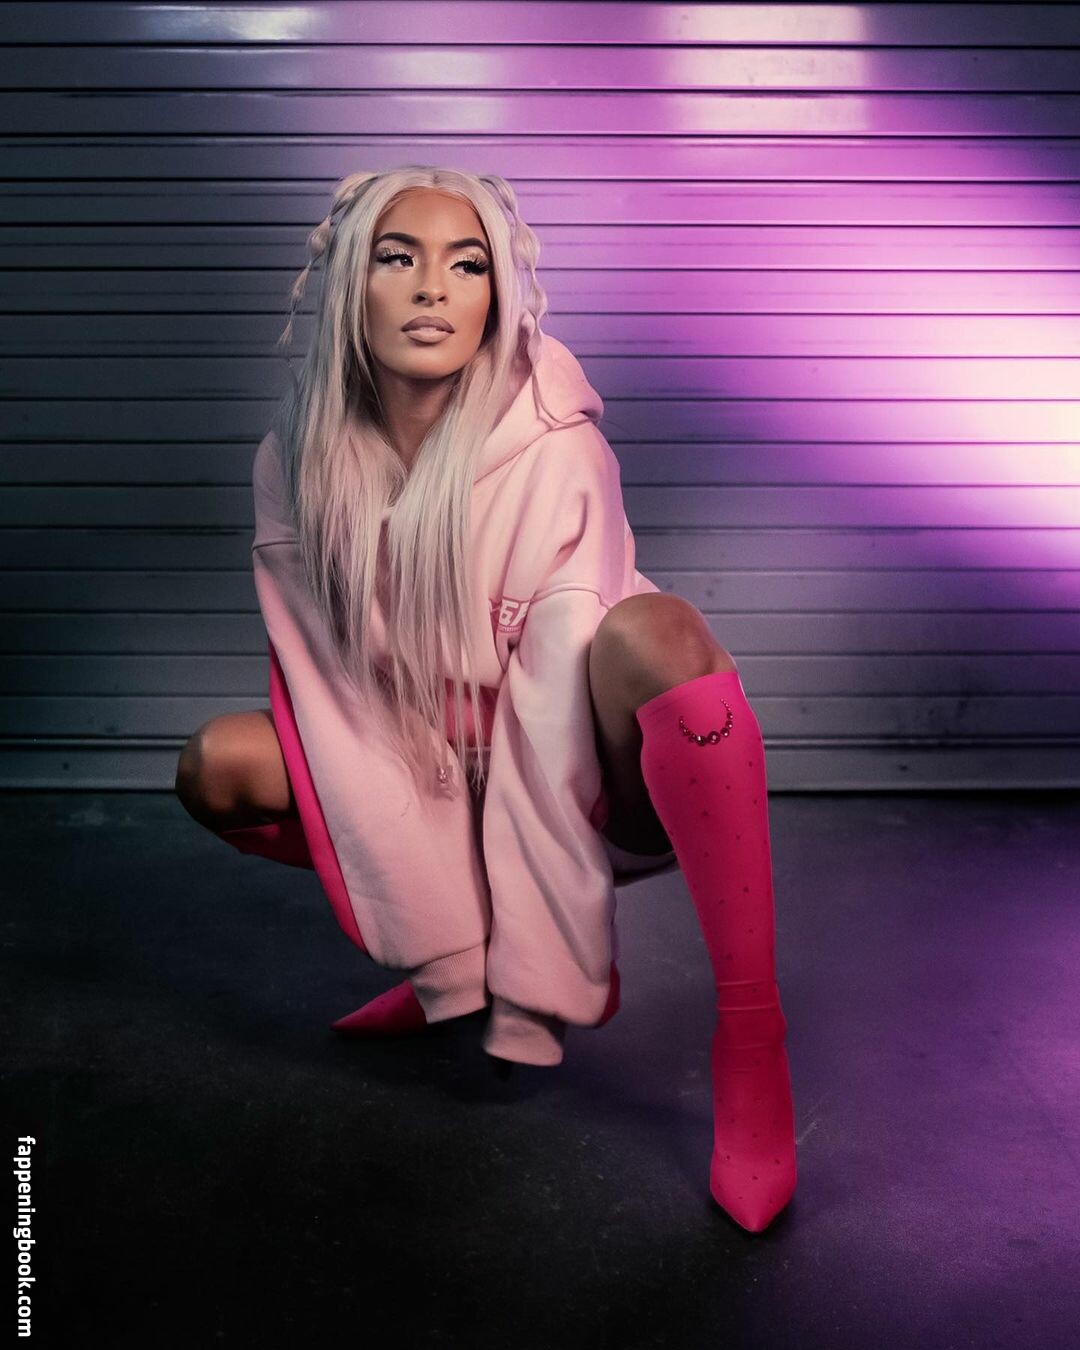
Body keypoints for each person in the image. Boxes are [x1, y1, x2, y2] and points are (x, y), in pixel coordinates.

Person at [174, 166, 797, 1232]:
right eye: (398, 258)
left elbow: (553, 695)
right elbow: (336, 700)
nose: (433, 288)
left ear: (497, 295)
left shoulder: (560, 446)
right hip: (428, 767)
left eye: (466, 266)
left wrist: (538, 970)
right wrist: (450, 961)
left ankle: (752, 1037)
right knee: (218, 763)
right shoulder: (294, 461)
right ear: (354, 284)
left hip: (595, 775)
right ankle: (447, 958)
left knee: (659, 633)